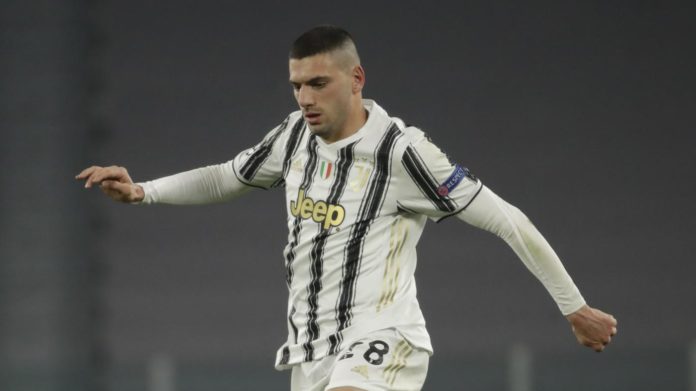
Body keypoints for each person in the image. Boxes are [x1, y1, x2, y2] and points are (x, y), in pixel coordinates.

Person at [76, 25, 617, 391]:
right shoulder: (293, 137)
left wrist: (575, 307)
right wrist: (142, 190)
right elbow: (226, 177)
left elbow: (507, 220)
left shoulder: (401, 152)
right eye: (296, 86)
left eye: (318, 83)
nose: (305, 98)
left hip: (384, 336)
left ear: (355, 79)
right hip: (310, 351)